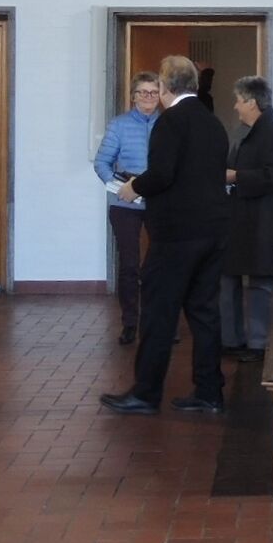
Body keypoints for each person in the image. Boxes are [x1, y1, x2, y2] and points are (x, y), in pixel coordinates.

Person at [99, 56, 231, 415]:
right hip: (214, 229)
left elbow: (162, 174)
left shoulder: (171, 121)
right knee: (204, 312)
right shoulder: (212, 122)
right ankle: (209, 392)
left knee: (158, 311)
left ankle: (145, 393)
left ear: (166, 86)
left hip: (177, 234)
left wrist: (133, 187)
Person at [221, 76, 273, 361]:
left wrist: (236, 176)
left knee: (260, 284)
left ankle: (257, 344)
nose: (235, 106)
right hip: (244, 220)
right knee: (227, 276)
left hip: (266, 222)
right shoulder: (251, 131)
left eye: (238, 101)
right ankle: (230, 339)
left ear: (252, 102)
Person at [93, 72, 161, 345]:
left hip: (158, 198)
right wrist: (118, 187)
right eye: (143, 92)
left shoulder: (168, 124)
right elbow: (102, 163)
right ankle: (130, 323)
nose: (148, 97)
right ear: (133, 96)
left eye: (153, 92)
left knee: (160, 262)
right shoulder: (119, 125)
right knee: (129, 263)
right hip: (125, 200)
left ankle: (159, 322)